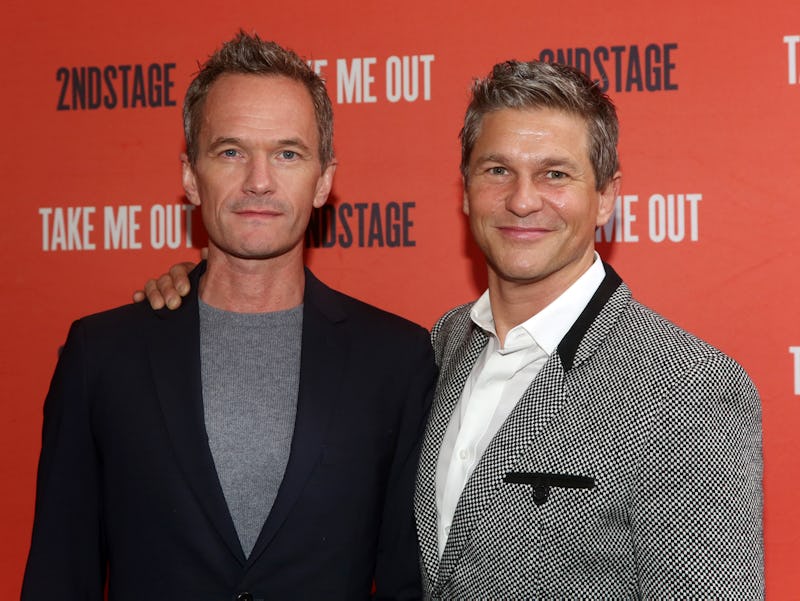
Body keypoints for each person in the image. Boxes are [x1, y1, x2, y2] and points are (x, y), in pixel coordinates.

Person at [140, 59, 764, 598]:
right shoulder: (432, 350)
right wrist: (201, 290)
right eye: (496, 170)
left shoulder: (691, 392)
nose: (522, 200)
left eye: (555, 173)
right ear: (464, 191)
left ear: (606, 198)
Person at [22, 32, 435, 601]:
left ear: (324, 180)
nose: (259, 181)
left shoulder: (396, 360)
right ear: (191, 177)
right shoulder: (103, 356)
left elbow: (405, 581)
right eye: (231, 151)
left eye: (287, 153)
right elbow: (59, 575)